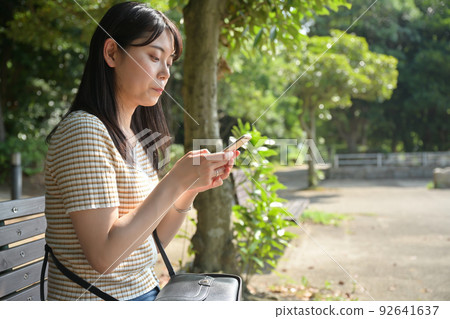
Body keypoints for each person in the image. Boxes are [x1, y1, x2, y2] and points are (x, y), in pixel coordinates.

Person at [44, 1, 238, 301]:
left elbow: (153, 239)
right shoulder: (84, 131)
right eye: (154, 57)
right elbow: (105, 257)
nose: (165, 73)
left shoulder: (134, 135)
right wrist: (174, 179)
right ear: (112, 53)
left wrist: (188, 188)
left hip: (144, 292)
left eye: (169, 62)